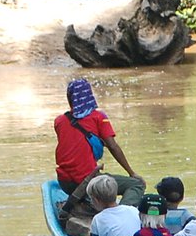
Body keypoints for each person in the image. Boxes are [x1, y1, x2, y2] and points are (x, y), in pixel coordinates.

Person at [54, 79, 142, 211]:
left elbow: (74, 145)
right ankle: (121, 213)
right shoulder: (98, 118)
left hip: (65, 183)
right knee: (136, 185)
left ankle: (86, 202)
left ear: (70, 98)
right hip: (88, 181)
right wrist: (131, 173)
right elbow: (112, 146)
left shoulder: (59, 121)